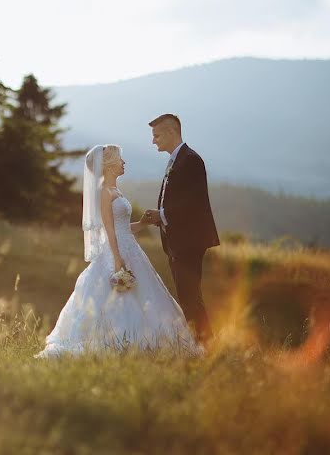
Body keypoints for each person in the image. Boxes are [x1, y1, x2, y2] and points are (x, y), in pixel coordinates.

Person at [35, 144, 201, 358]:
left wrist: (141, 224)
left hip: (130, 247)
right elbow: (108, 230)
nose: (124, 162)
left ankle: (151, 340)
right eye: (120, 159)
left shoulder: (116, 191)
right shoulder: (104, 192)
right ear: (110, 165)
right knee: (115, 296)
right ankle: (120, 340)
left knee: (145, 292)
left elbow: (122, 227)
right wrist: (116, 258)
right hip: (116, 250)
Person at [143, 114, 219, 344]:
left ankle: (204, 345)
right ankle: (201, 343)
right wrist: (160, 218)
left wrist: (162, 215)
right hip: (178, 239)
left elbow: (192, 204)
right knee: (187, 296)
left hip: (189, 241)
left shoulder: (191, 160)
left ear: (170, 132)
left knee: (190, 297)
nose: (154, 141)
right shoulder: (177, 159)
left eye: (156, 136)